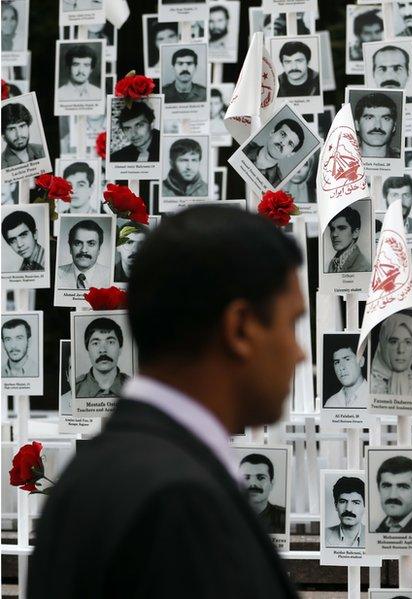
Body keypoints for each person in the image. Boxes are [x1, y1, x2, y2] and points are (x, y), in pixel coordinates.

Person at [29, 206, 306, 597]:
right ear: (240, 328)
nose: (300, 354)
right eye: (291, 324)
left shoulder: (102, 468)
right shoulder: (180, 500)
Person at [74, 317, 131, 398]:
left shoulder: (134, 389)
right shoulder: (75, 388)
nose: (103, 350)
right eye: (96, 343)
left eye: (110, 342)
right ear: (88, 350)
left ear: (120, 349)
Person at [374, 455, 412, 533]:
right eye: (387, 486)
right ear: (379, 489)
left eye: (403, 487)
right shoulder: (383, 527)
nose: (393, 495)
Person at [370, 313, 412, 396]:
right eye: (394, 342)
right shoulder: (370, 385)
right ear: (383, 345)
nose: (401, 350)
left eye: (408, 342)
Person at [243, 118, 305, 188]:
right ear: (272, 133)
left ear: (291, 153)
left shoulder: (277, 184)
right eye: (282, 134)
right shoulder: (244, 146)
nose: (283, 142)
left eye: (290, 144)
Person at [240, 453, 287, 534]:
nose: (253, 484)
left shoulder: (284, 518)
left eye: (261, 478)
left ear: (271, 483)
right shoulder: (225, 515)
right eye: (246, 478)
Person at [57, 219, 110, 290]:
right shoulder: (57, 274)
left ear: (99, 249)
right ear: (70, 248)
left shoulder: (110, 275)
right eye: (78, 243)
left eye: (91, 244)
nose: (84, 250)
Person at [324, 339, 368, 410]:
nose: (341, 367)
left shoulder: (374, 399)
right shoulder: (331, 403)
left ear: (361, 361)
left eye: (347, 359)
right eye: (337, 362)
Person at [326, 207, 371, 273]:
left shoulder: (363, 266)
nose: (334, 234)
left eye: (342, 228)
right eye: (332, 229)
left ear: (355, 233)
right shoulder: (333, 263)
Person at [324, 476, 366, 547]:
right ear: (336, 506)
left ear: (365, 507)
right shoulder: (324, 535)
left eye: (356, 502)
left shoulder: (374, 538)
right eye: (343, 502)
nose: (348, 509)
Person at [1, 101, 45, 167]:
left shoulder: (42, 150)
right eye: (12, 129)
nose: (19, 134)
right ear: (3, 135)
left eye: (22, 126)